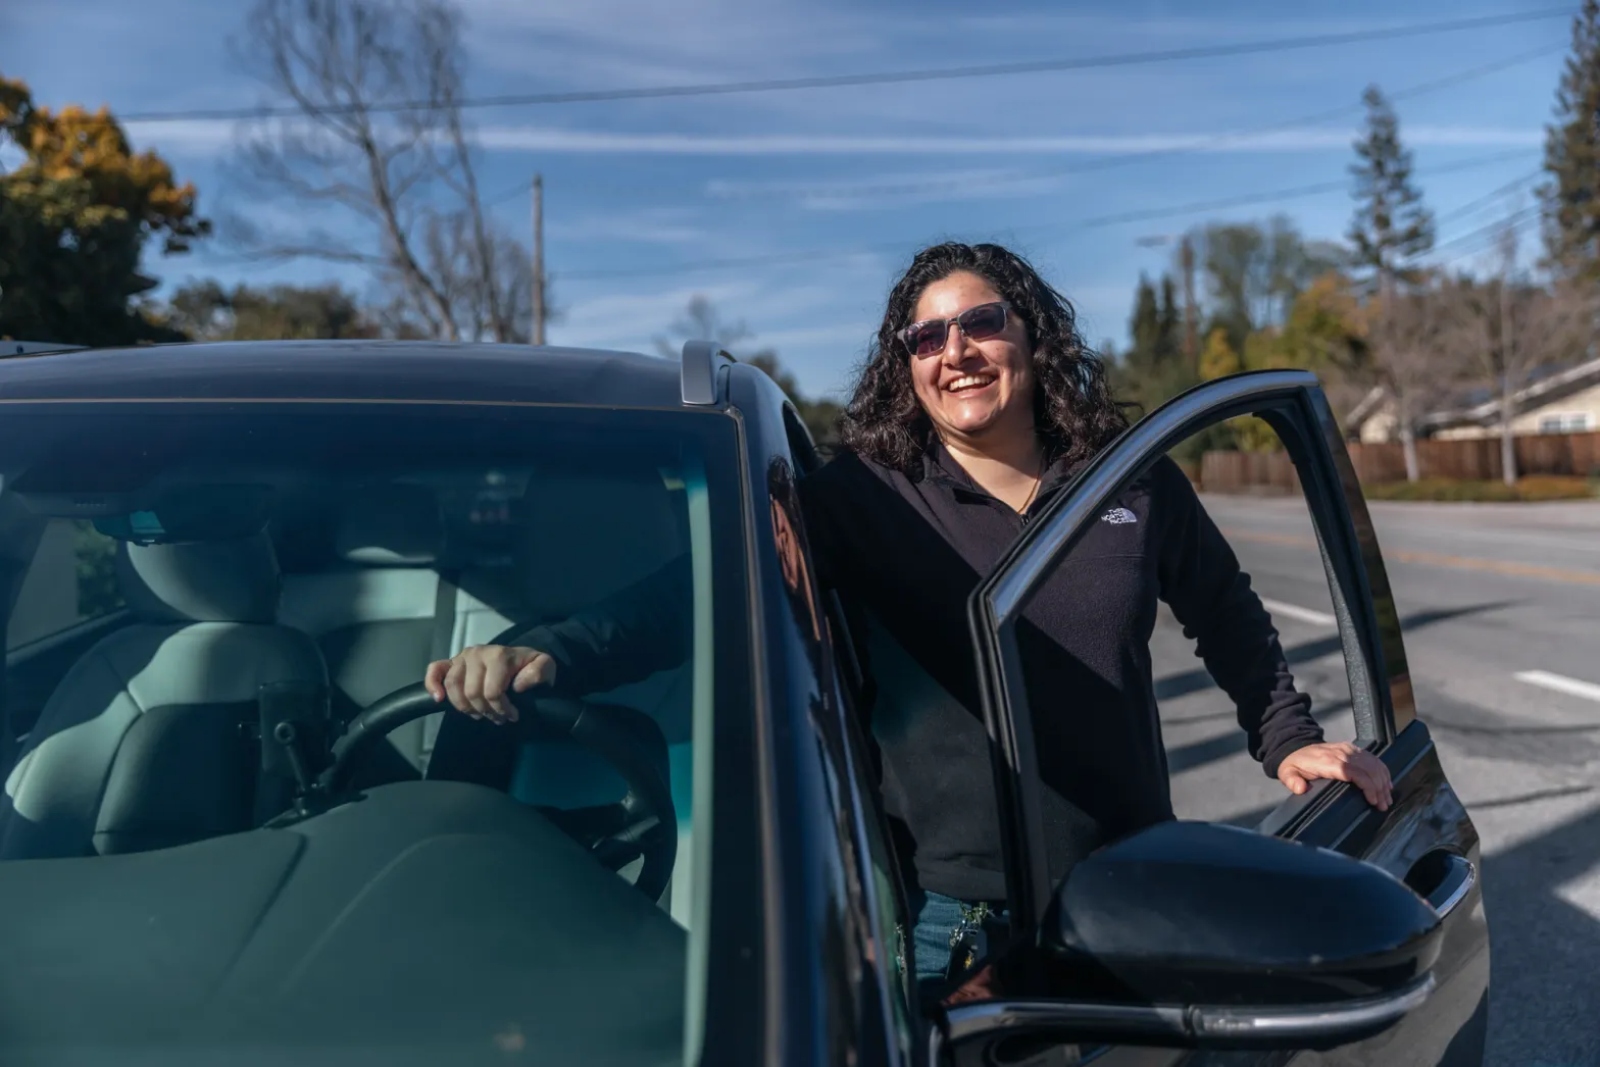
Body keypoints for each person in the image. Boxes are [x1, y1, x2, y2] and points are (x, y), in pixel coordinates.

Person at [422, 241, 1394, 1007]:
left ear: (1031, 335)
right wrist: (551, 651)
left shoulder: (1125, 476)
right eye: (926, 337)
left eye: (980, 321)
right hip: (950, 917)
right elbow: (694, 589)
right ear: (905, 363)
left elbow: (1226, 611)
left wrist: (1289, 740)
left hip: (1131, 884)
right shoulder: (860, 498)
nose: (956, 350)